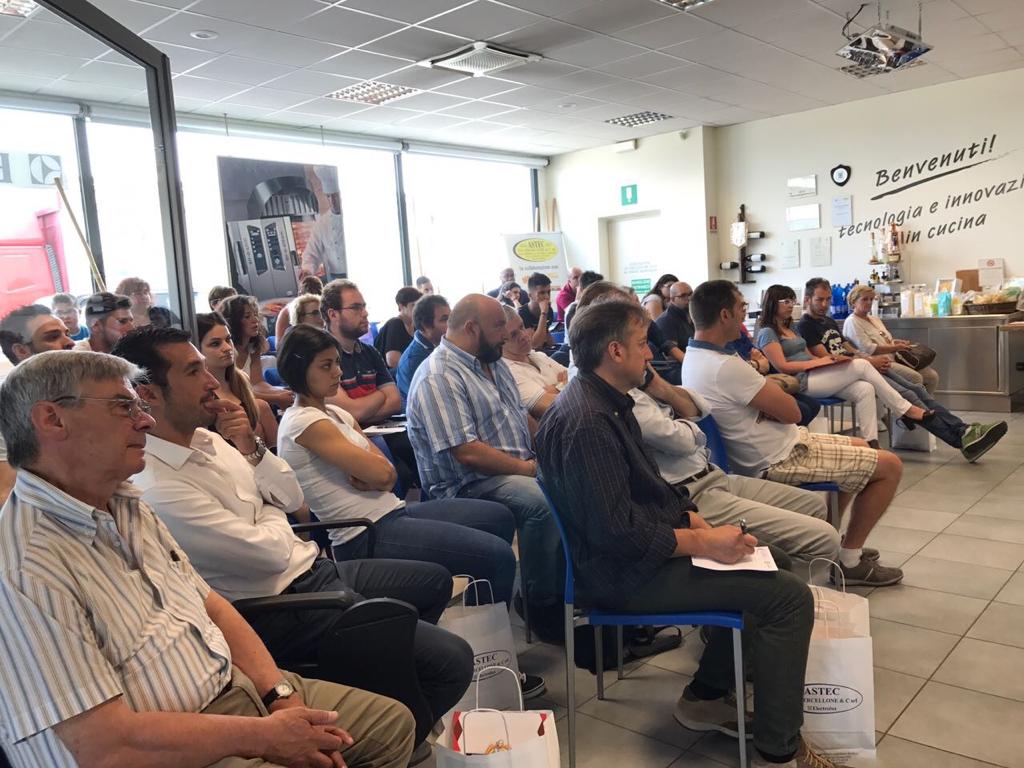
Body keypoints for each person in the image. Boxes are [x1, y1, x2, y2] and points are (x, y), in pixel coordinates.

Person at [0, 349, 414, 768]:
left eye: (140, 406)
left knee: (392, 724)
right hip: (164, 750)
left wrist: (278, 696)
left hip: (232, 689)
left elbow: (211, 604)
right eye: (123, 407)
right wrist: (269, 737)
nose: (145, 421)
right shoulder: (25, 565)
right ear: (52, 419)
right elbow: (104, 749)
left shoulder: (125, 502)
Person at [113, 327, 473, 751]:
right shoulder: (157, 485)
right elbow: (266, 553)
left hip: (312, 570)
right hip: (279, 605)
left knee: (431, 582)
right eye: (194, 371)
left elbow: (291, 498)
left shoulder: (212, 440)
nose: (212, 380)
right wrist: (268, 511)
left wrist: (249, 447)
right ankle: (397, 739)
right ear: (148, 393)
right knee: (451, 661)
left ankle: (391, 701)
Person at [536, 299, 842, 768]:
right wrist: (702, 542)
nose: (650, 354)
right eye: (642, 344)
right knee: (789, 598)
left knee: (773, 559)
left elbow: (651, 486)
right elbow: (616, 533)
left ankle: (707, 695)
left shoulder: (606, 401)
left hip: (634, 554)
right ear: (615, 351)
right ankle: (780, 750)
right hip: (621, 576)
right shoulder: (588, 422)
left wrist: (692, 517)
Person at [682, 280, 905, 587]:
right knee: (890, 465)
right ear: (724, 315)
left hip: (782, 442)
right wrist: (771, 392)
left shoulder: (696, 357)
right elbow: (793, 412)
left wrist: (768, 393)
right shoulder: (725, 366)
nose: (745, 313)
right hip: (779, 457)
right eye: (741, 307)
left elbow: (777, 394)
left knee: (863, 445)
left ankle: (841, 549)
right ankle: (850, 562)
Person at [276, 324, 517, 605]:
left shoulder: (335, 413)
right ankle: (485, 625)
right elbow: (381, 474)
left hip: (391, 512)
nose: (338, 372)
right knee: (497, 556)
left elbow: (387, 475)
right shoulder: (303, 422)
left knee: (498, 516)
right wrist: (375, 475)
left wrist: (375, 474)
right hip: (363, 534)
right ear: (299, 370)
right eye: (326, 366)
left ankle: (481, 610)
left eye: (337, 362)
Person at [406, 294, 561, 682]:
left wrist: (545, 459)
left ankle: (576, 590)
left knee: (574, 482)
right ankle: (542, 605)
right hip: (464, 486)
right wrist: (528, 469)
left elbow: (520, 419)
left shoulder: (492, 364)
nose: (506, 336)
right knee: (539, 503)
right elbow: (467, 452)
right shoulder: (440, 375)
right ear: (471, 328)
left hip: (508, 470)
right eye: (499, 328)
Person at [802, 281, 1007, 463]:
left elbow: (848, 347)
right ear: (807, 299)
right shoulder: (807, 325)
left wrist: (866, 358)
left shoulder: (828, 321)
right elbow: (828, 358)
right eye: (820, 300)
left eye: (828, 300)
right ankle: (960, 437)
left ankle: (963, 429)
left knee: (916, 388)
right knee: (909, 393)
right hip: (844, 373)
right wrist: (868, 360)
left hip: (861, 365)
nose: (825, 305)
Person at [756, 283, 930, 448]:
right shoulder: (767, 333)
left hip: (815, 374)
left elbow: (809, 355)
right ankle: (905, 410)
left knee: (865, 388)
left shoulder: (791, 328)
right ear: (773, 303)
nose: (791, 305)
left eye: (792, 301)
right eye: (786, 301)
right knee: (862, 365)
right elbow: (782, 366)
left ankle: (871, 443)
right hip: (800, 382)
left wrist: (829, 361)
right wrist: (819, 362)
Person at [0, 303, 75, 504]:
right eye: (53, 337)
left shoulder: (81, 390)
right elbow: (5, 492)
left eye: (66, 333)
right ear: (21, 350)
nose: (69, 342)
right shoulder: (6, 407)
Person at [197, 312, 279, 447]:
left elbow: (276, 450)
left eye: (228, 339)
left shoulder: (241, 380)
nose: (227, 348)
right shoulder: (201, 397)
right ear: (197, 350)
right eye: (215, 344)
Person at [841, 284, 936, 391]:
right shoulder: (852, 322)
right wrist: (895, 348)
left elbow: (885, 340)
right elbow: (869, 349)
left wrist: (896, 342)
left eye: (871, 299)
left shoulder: (874, 319)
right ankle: (911, 402)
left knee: (931, 376)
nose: (869, 302)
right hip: (877, 363)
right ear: (853, 302)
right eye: (865, 299)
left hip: (894, 358)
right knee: (915, 378)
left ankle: (927, 401)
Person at [727, 324, 821, 427]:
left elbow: (762, 360)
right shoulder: (766, 332)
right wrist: (757, 364)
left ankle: (795, 431)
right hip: (754, 384)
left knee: (813, 405)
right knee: (803, 411)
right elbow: (777, 365)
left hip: (768, 375)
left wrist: (759, 363)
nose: (742, 318)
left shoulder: (739, 332)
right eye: (741, 315)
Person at [219, 294, 294, 411]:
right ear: (233, 322)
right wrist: (276, 397)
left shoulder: (253, 348)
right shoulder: (227, 351)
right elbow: (235, 393)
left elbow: (258, 383)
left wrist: (281, 391)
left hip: (251, 403)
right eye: (247, 316)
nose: (255, 320)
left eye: (255, 314)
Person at [501, 305, 567, 420]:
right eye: (513, 335)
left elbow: (575, 378)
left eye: (522, 326)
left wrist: (555, 389)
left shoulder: (538, 355)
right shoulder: (508, 374)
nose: (523, 335)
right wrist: (563, 383)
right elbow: (554, 406)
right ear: (498, 342)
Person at [396, 294, 450, 405]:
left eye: (451, 318)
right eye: (445, 319)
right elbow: (431, 404)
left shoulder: (443, 346)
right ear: (426, 326)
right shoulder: (414, 360)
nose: (451, 324)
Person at [301, 165, 346, 280]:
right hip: (336, 277)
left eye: (336, 195)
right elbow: (312, 253)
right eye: (329, 196)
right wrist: (307, 270)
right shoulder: (322, 223)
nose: (333, 201)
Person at [375, 286, 422, 369]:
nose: (418, 309)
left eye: (419, 305)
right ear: (401, 306)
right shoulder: (395, 324)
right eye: (413, 305)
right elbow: (392, 361)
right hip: (388, 373)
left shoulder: (416, 326)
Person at [655, 281, 695, 358]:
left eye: (691, 294)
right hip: (680, 363)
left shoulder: (690, 315)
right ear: (672, 299)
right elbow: (671, 356)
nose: (689, 298)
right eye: (683, 295)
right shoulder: (666, 320)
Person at [518, 272, 556, 351]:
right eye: (542, 293)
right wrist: (543, 314)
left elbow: (547, 337)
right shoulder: (522, 314)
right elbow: (534, 345)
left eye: (548, 292)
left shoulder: (549, 310)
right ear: (530, 296)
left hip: (543, 352)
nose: (547, 297)